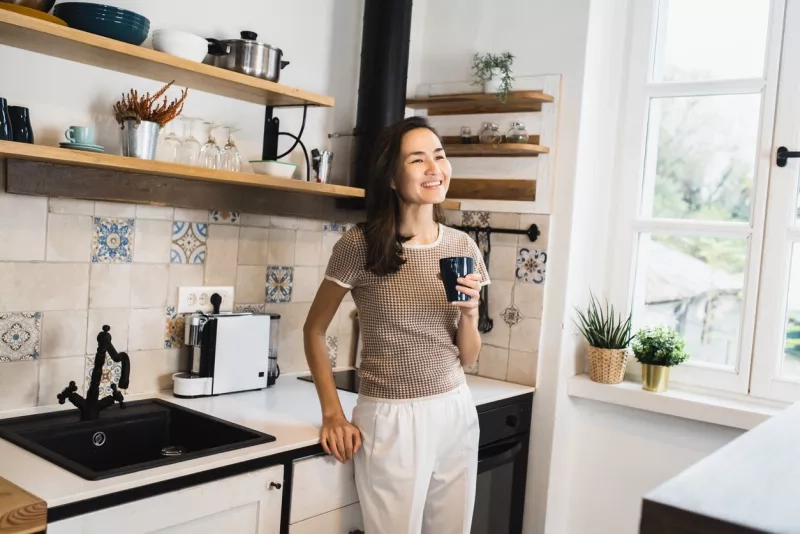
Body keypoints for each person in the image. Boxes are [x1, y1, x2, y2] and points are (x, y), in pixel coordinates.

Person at [303, 116, 490, 534]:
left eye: (439, 157)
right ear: (391, 176)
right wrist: (333, 414)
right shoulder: (360, 244)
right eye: (418, 160)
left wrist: (471, 314)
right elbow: (314, 330)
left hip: (455, 409)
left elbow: (470, 357)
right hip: (392, 418)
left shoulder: (463, 246)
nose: (434, 169)